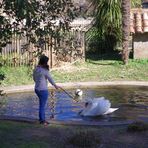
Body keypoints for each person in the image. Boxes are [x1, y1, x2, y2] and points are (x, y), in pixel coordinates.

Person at [33, 55, 59, 126]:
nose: (47, 63)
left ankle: (41, 119)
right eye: (47, 62)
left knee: (41, 105)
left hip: (37, 89)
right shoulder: (44, 71)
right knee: (42, 106)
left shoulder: (36, 69)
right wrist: (55, 86)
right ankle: (42, 121)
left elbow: (34, 78)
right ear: (44, 62)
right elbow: (50, 79)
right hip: (43, 90)